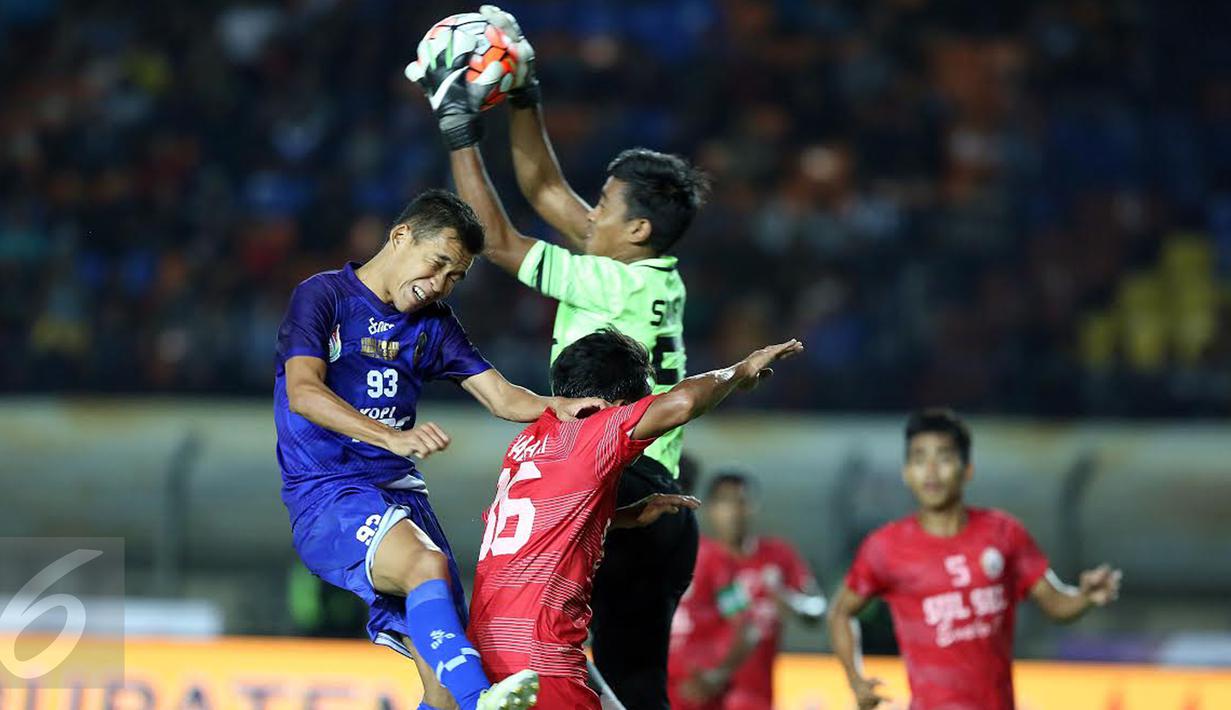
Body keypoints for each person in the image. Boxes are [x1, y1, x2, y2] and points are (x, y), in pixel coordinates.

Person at [406, 9, 710, 706]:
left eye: (602, 204)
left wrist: (459, 129)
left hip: (610, 484)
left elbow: (499, 239)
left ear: (634, 227)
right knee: (634, 688)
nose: (586, 212)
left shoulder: (606, 276)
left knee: (513, 639)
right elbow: (545, 190)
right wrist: (524, 94)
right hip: (660, 503)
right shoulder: (650, 270)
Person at [274, 189, 605, 710]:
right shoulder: (323, 297)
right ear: (401, 236)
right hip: (329, 493)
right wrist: (391, 436)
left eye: (455, 277)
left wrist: (562, 405)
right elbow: (304, 393)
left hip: (403, 500)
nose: (440, 285)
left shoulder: (432, 324)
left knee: (440, 689)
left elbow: (499, 395)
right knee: (427, 570)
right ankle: (484, 703)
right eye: (439, 264)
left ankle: (464, 701)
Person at [467, 329, 805, 709]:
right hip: (542, 659)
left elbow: (545, 525)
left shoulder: (528, 443)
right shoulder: (596, 430)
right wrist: (741, 370)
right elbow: (682, 402)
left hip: (487, 649)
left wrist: (623, 516)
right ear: (621, 404)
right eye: (641, 404)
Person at [827, 408, 1123, 710]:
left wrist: (1086, 596)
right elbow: (840, 612)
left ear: (967, 468)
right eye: (919, 459)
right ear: (907, 473)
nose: (931, 471)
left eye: (943, 458)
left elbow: (1056, 603)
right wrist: (855, 678)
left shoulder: (1004, 533)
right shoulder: (885, 547)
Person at [668, 470, 826, 710]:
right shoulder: (697, 557)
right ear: (709, 508)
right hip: (696, 694)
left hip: (752, 695)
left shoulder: (777, 557)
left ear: (754, 506)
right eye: (725, 501)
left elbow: (814, 608)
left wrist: (792, 601)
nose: (733, 511)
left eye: (741, 501)